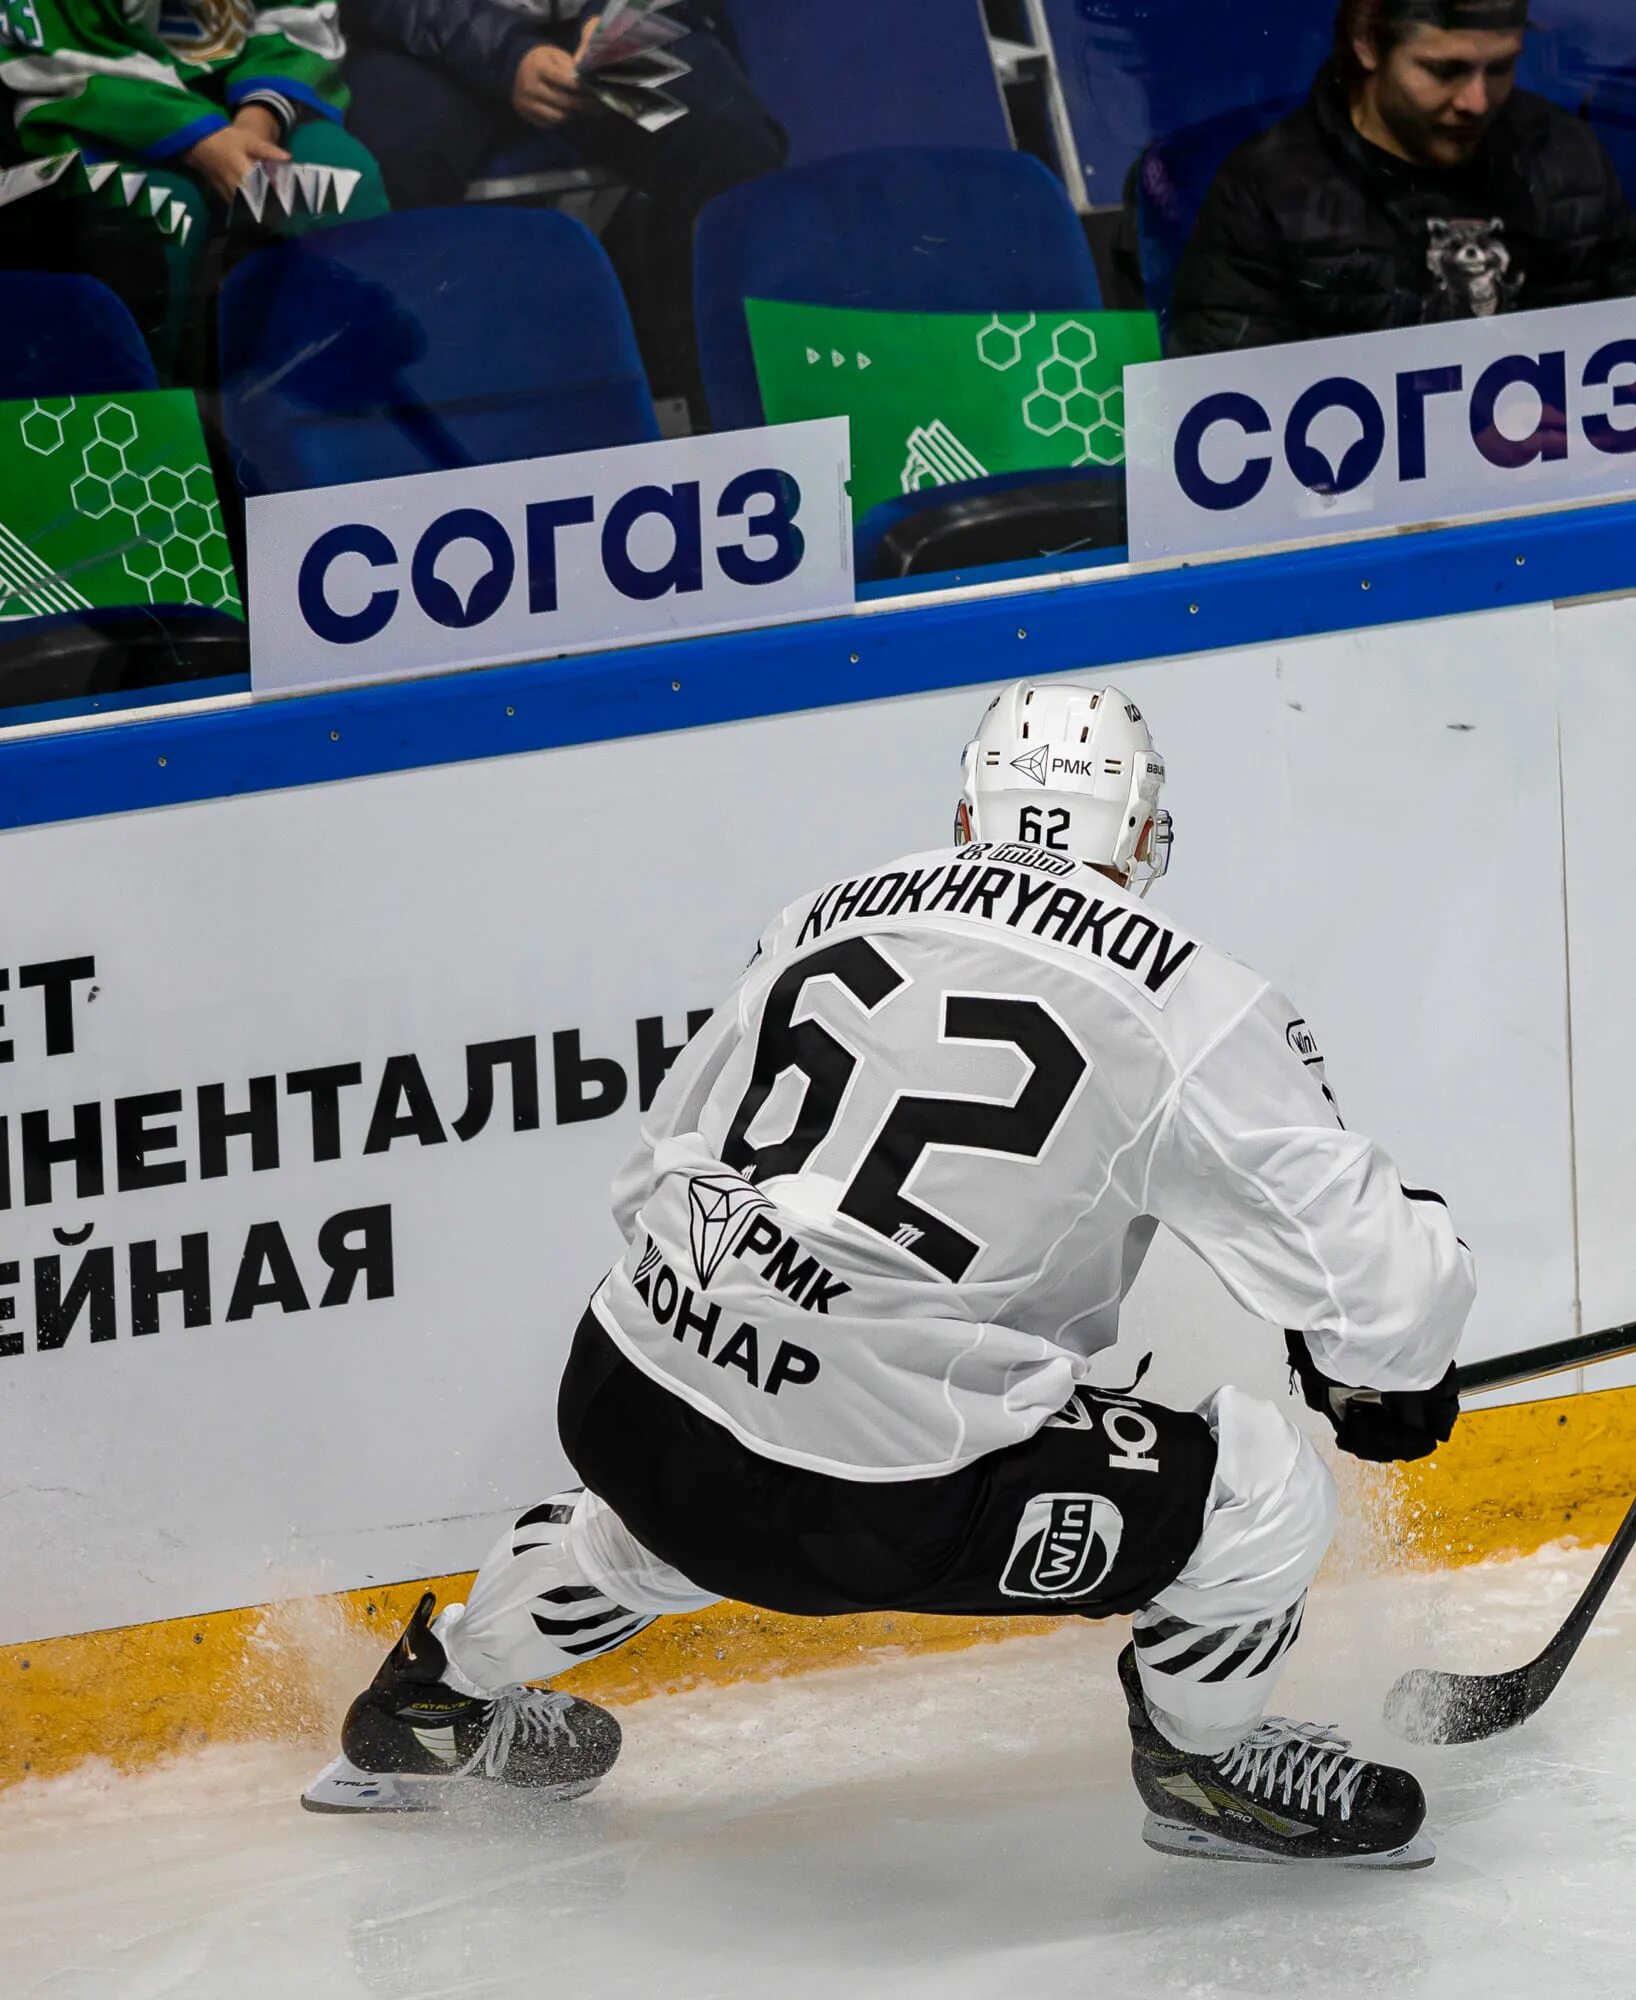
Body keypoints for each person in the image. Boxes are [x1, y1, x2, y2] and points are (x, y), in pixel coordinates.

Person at [300, 684, 1475, 1869]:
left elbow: (659, 1160)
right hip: (880, 1502)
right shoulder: (1190, 1000)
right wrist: (1381, 1385)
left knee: (674, 1500)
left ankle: (433, 1699)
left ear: (971, 808)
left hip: (623, 1396)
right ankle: (1207, 1767)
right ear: (1140, 830)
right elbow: (1383, 1294)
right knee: (1264, 1483)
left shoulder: (825, 911)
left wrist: (777, 1318)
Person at [332, 0, 784, 410]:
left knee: (729, 145)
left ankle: (728, 422)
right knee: (381, 170)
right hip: (439, 37)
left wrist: (612, 21)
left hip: (615, 27)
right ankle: (404, 444)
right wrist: (505, 55)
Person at [1165, 0, 1636, 357]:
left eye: (1502, 67)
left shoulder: (1564, 156)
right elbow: (1232, 420)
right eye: (1444, 70)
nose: (1477, 102)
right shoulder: (1268, 189)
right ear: (1366, 42)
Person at [0, 0, 386, 375]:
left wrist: (258, 122)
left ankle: (339, 409)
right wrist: (204, 141)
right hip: (101, 108)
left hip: (242, 96)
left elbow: (296, 13)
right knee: (154, 216)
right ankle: (150, 416)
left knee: (341, 180)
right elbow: (58, 54)